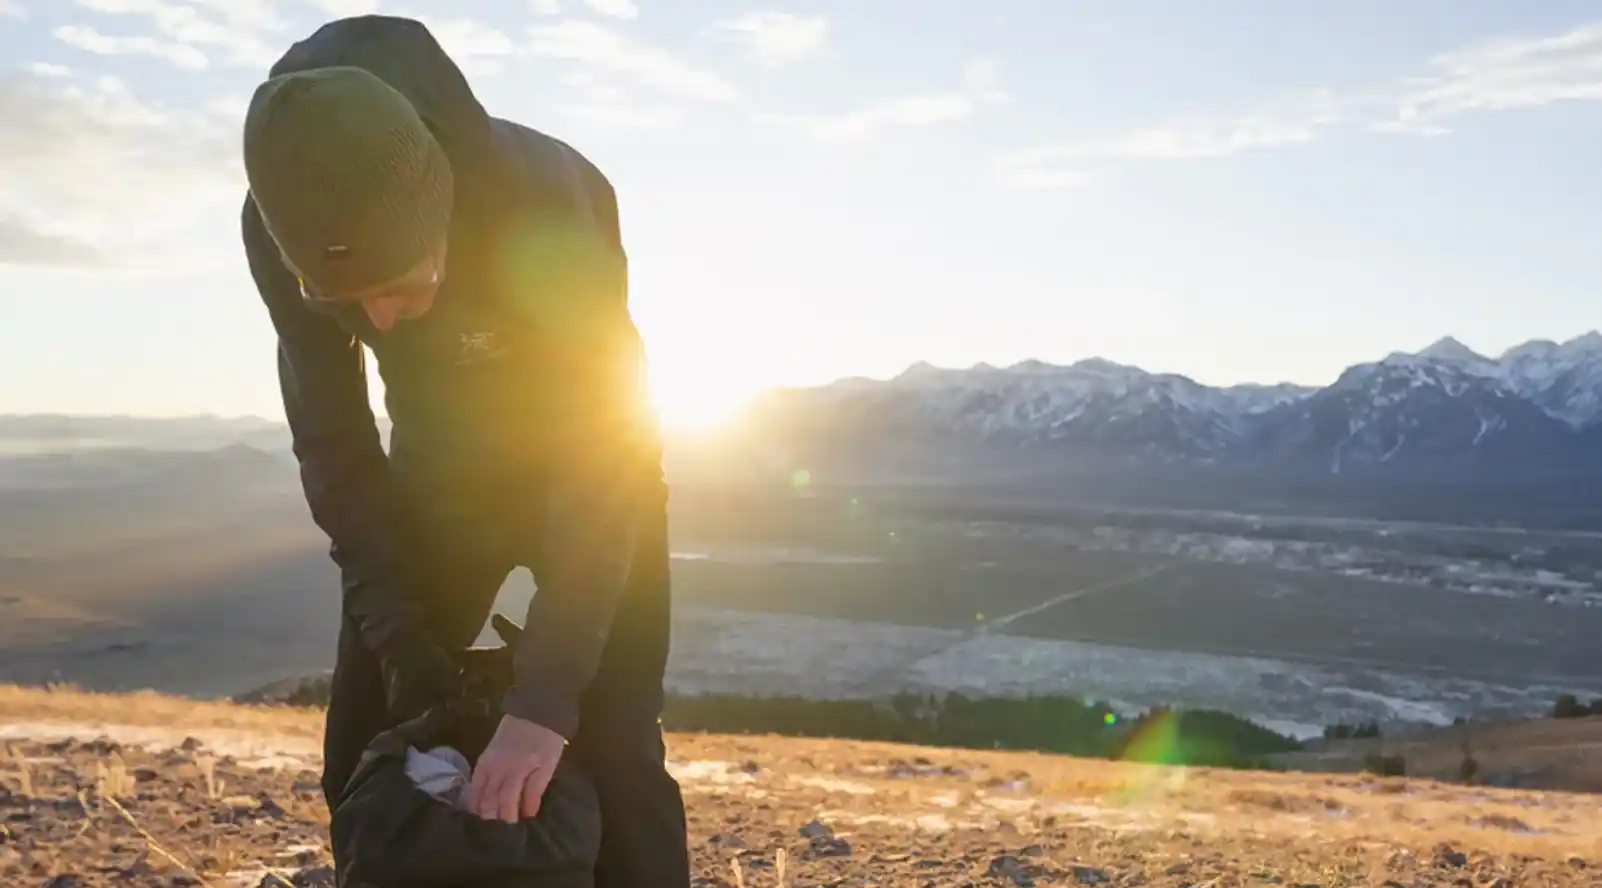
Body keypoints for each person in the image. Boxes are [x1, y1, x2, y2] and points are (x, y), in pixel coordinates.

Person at [238, 14, 689, 887]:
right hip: (438, 476)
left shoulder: (546, 202)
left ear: (444, 213)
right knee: (365, 748)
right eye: (345, 302)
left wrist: (546, 698)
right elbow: (333, 438)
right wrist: (399, 638)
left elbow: (608, 453)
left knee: (617, 745)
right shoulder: (279, 224)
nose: (378, 324)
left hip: (588, 463)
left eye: (405, 287)